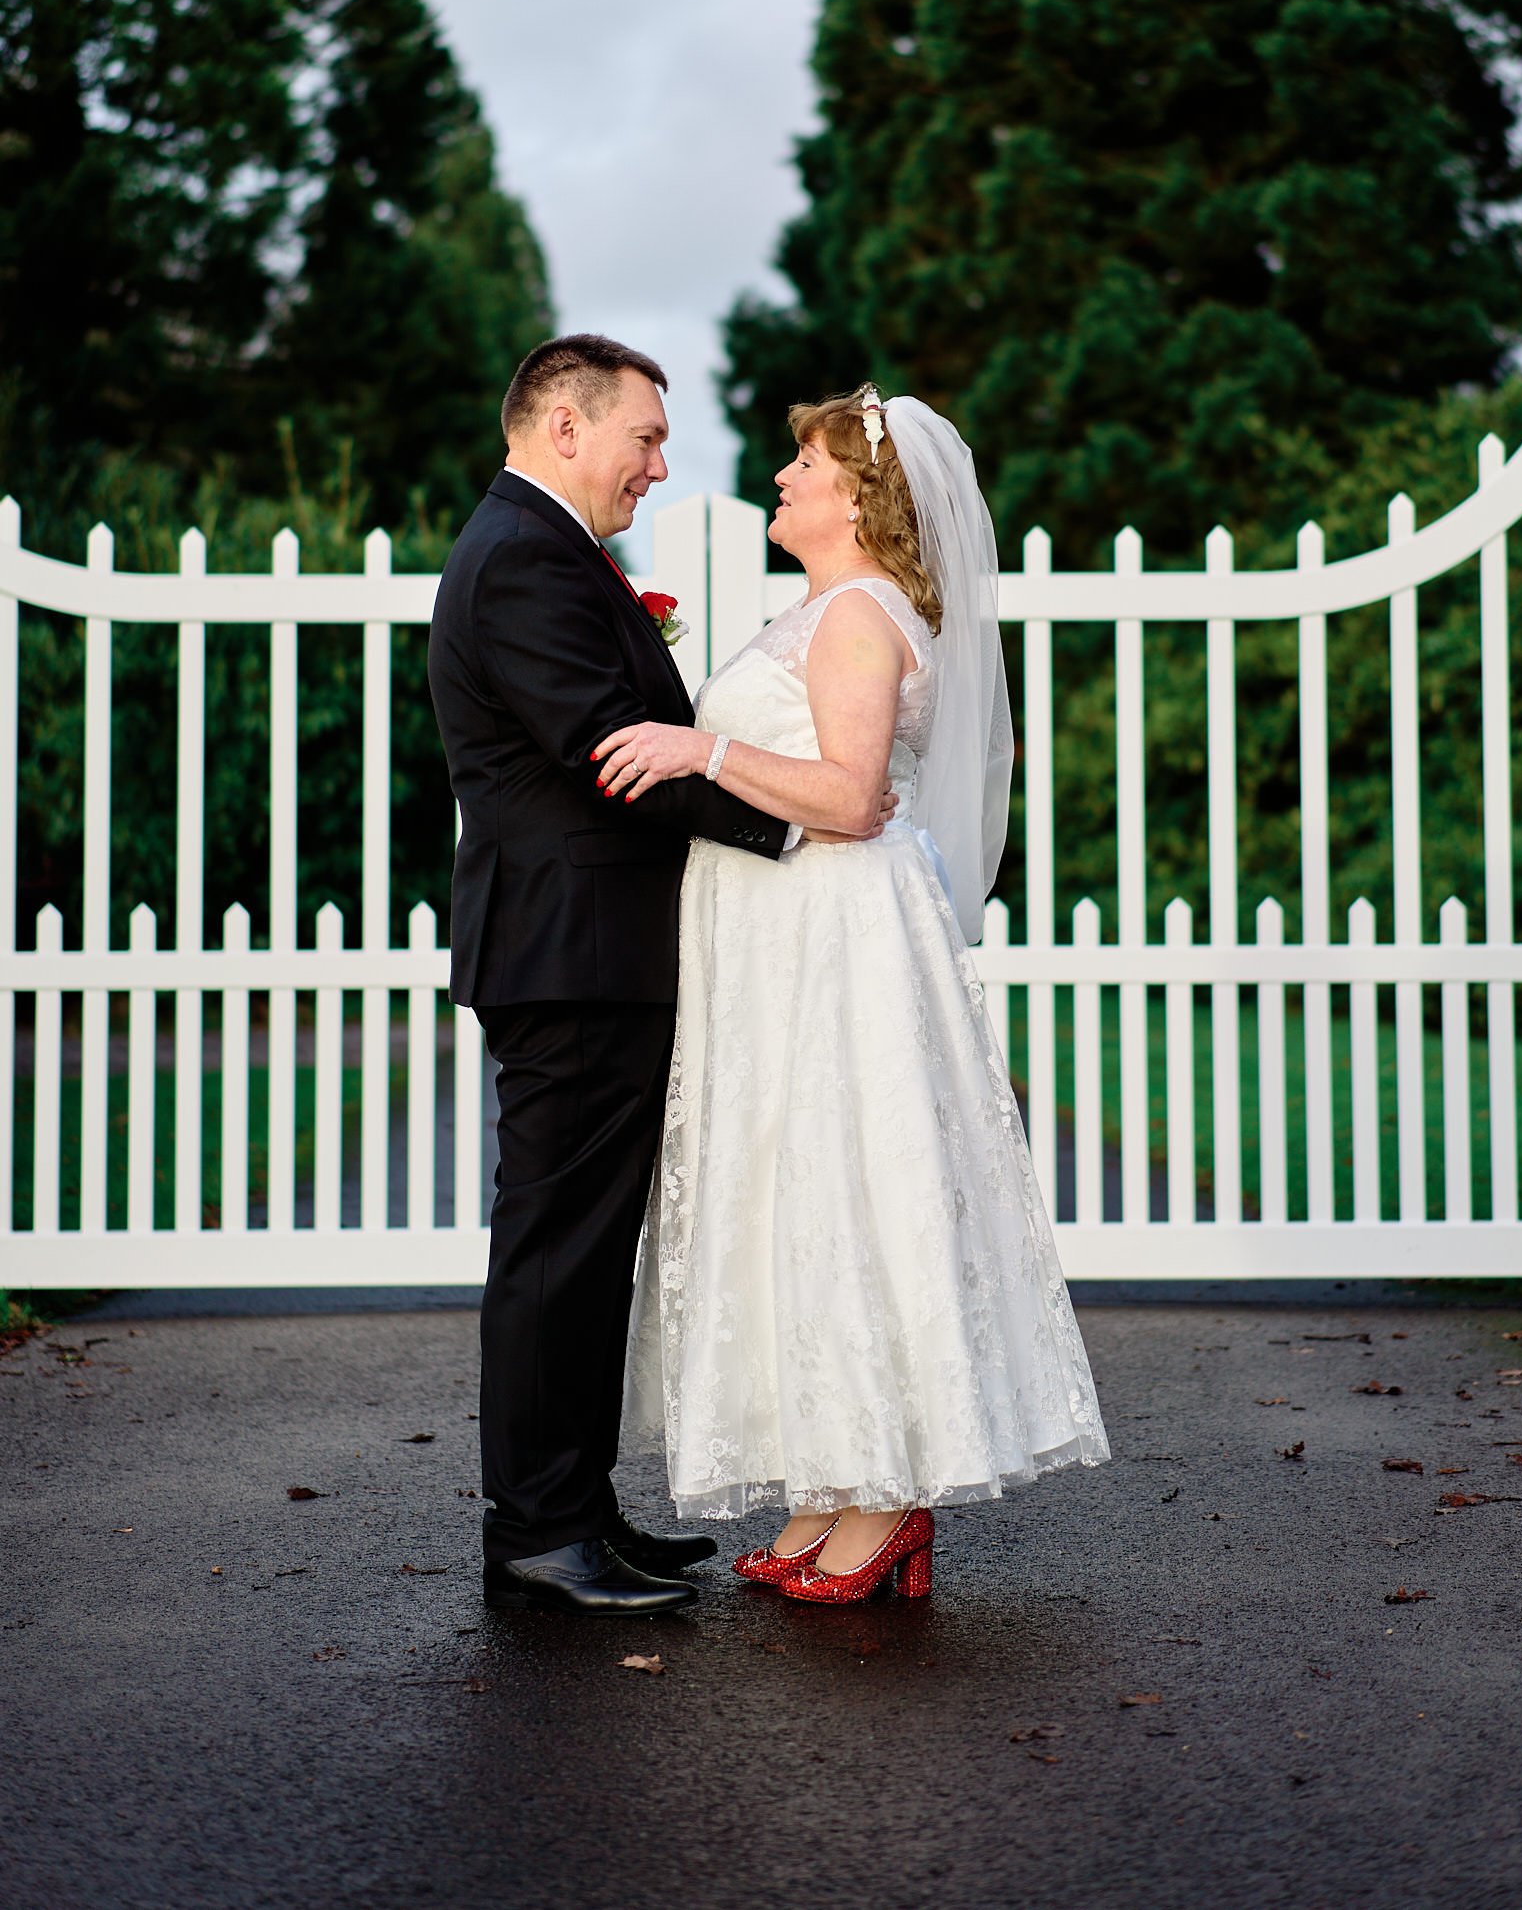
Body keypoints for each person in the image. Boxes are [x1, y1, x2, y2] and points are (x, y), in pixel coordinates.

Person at [607, 385, 1108, 1602]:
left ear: (857, 496)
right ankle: (832, 1486)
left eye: (803, 464)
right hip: (783, 934)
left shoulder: (858, 617)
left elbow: (843, 795)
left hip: (833, 937)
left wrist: (698, 748)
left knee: (842, 1190)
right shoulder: (827, 607)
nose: (782, 478)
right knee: (796, 1194)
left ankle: (884, 1499)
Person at [427, 335, 894, 1618]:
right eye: (643, 436)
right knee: (555, 1248)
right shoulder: (523, 557)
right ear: (563, 426)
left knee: (587, 1250)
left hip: (595, 953)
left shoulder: (552, 553)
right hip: (568, 956)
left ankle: (577, 1511)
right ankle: (536, 1529)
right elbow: (607, 755)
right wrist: (806, 820)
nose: (660, 463)